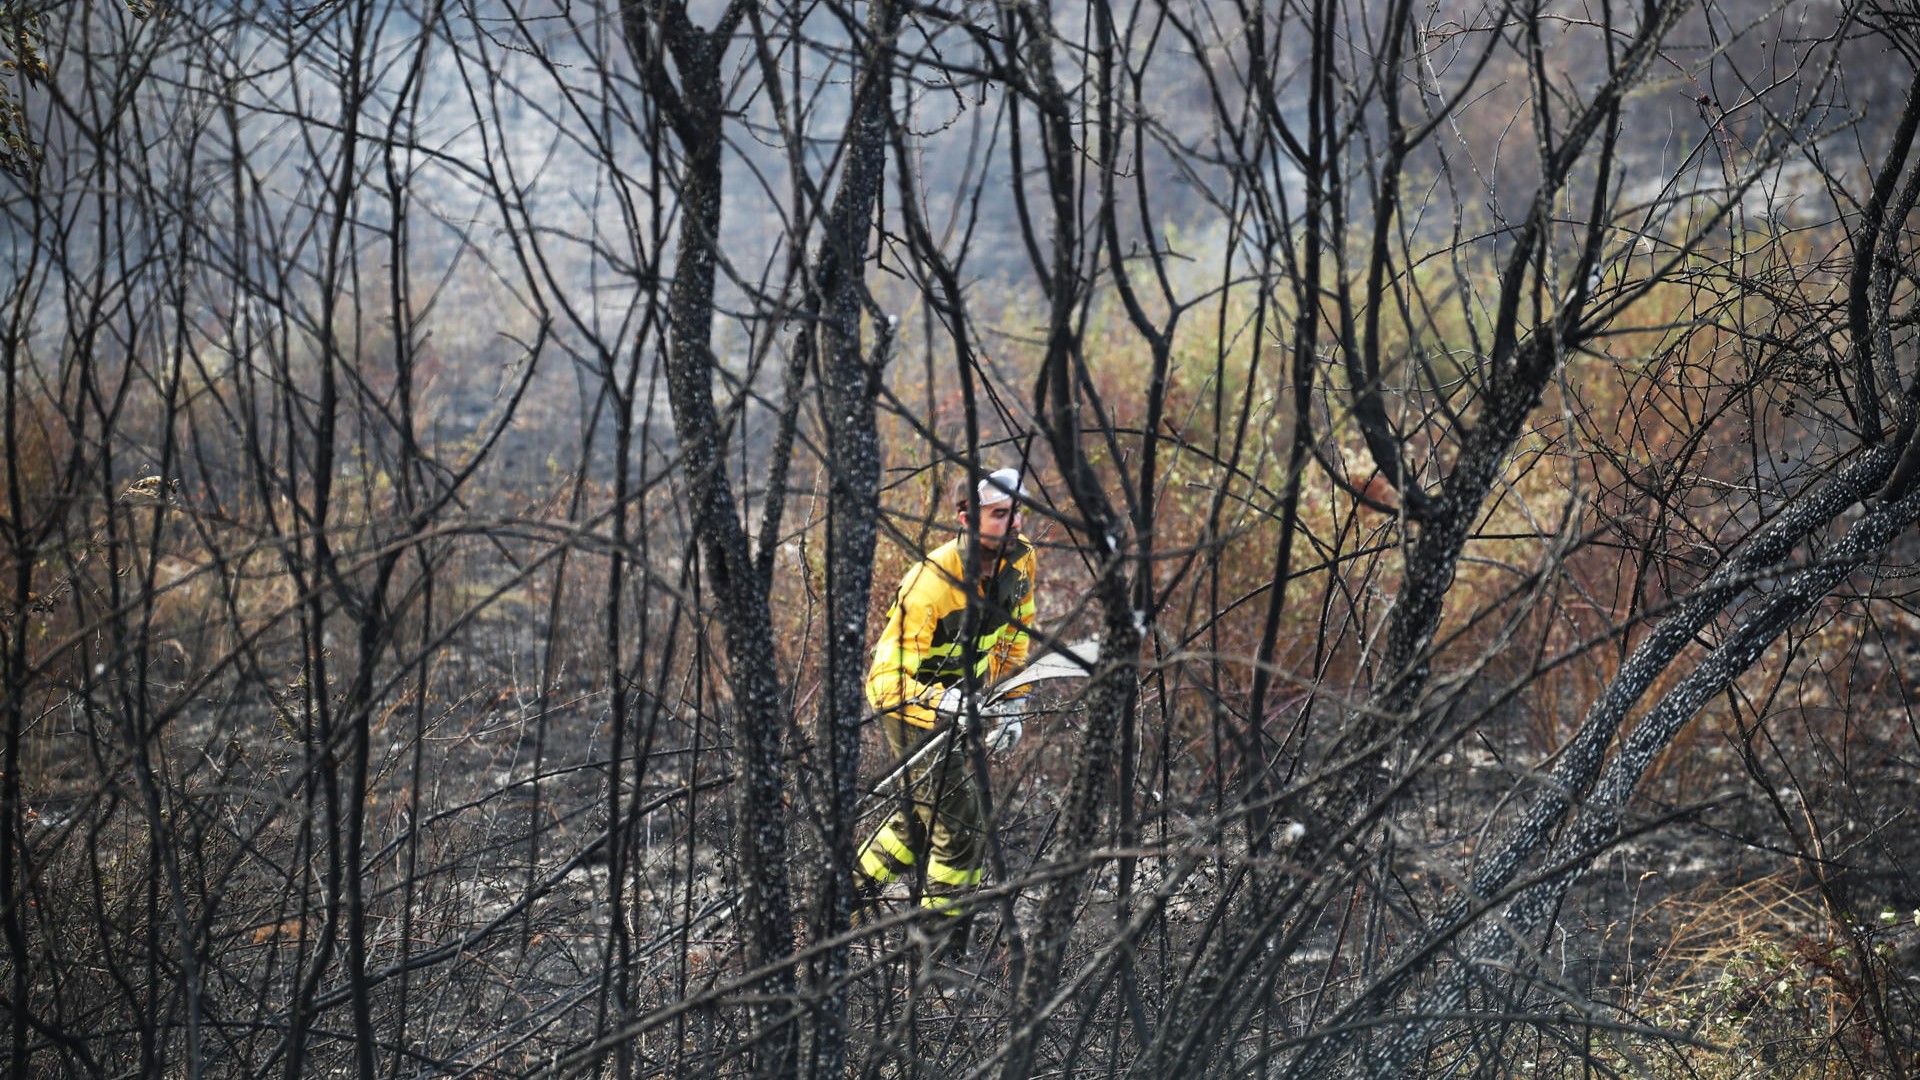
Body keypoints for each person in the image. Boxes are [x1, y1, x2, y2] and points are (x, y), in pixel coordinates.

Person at [854, 466, 1038, 941]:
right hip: (915, 712)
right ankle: (937, 956)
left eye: (1018, 511)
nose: (1014, 522)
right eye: (1000, 514)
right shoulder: (930, 584)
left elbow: (1016, 635)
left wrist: (1012, 700)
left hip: (966, 708)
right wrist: (945, 702)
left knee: (917, 824)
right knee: (959, 834)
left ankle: (843, 905)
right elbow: (884, 683)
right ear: (966, 517)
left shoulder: (1021, 563)